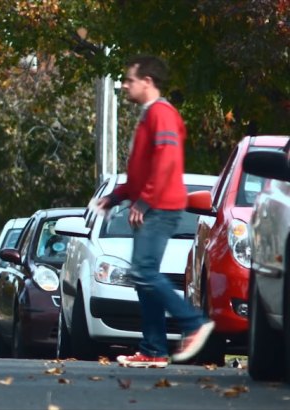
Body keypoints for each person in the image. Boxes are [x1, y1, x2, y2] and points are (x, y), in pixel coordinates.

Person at [96, 54, 214, 368]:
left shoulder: (162, 114)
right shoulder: (151, 114)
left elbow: (167, 161)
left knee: (144, 272)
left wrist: (145, 201)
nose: (124, 85)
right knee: (143, 277)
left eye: (129, 80)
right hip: (153, 204)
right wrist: (117, 195)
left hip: (161, 206)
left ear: (147, 82)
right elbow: (143, 170)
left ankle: (194, 322)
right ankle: (153, 350)